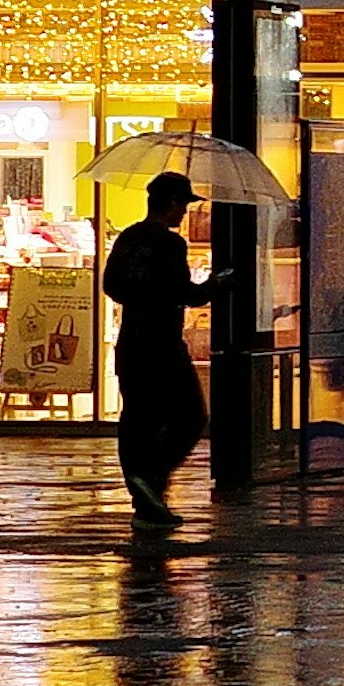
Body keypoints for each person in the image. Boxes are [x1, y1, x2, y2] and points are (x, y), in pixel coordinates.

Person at [103, 170, 211, 530]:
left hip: (132, 342)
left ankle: (146, 505)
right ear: (171, 204)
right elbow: (185, 293)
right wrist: (218, 285)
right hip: (164, 345)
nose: (185, 214)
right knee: (191, 415)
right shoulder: (171, 245)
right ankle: (151, 477)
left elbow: (111, 286)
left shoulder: (128, 238)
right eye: (183, 205)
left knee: (137, 420)